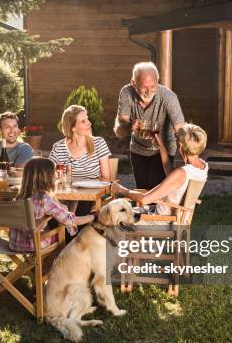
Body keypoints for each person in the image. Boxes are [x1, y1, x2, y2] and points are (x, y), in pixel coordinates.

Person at [111, 123, 208, 222]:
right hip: (177, 218)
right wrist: (161, 147)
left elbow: (144, 200)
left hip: (161, 220)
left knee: (114, 220)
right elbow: (174, 177)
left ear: (181, 146)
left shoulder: (181, 173)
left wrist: (121, 190)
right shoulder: (203, 166)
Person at [114, 61, 185, 190]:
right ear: (133, 83)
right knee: (142, 191)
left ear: (158, 81)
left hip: (163, 150)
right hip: (138, 149)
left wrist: (189, 159)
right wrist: (129, 126)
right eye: (144, 87)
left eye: (153, 86)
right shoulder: (126, 93)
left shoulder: (168, 97)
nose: (148, 91)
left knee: (155, 193)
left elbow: (181, 131)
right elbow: (119, 131)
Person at [10, 158, 94, 253]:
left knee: (59, 221)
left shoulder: (20, 196)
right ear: (49, 178)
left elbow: (63, 213)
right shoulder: (44, 200)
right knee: (61, 230)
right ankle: (56, 262)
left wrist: (73, 203)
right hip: (35, 244)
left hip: (15, 244)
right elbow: (71, 220)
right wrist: (91, 217)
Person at [49, 105, 111, 180]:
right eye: (83, 121)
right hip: (66, 191)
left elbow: (106, 178)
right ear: (73, 128)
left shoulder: (99, 143)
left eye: (87, 119)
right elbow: (48, 173)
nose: (89, 123)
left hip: (93, 191)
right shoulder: (58, 147)